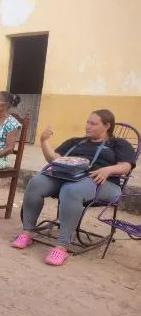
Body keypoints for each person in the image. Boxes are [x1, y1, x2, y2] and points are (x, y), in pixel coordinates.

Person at [11, 109, 135, 266]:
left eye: (93, 123)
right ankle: (27, 231)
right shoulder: (76, 142)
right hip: (68, 177)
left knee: (71, 190)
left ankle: (61, 246)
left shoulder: (118, 144)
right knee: (37, 182)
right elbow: (54, 159)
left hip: (103, 182)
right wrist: (44, 142)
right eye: (87, 122)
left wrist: (107, 170)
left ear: (107, 126)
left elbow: (125, 166)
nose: (87, 126)